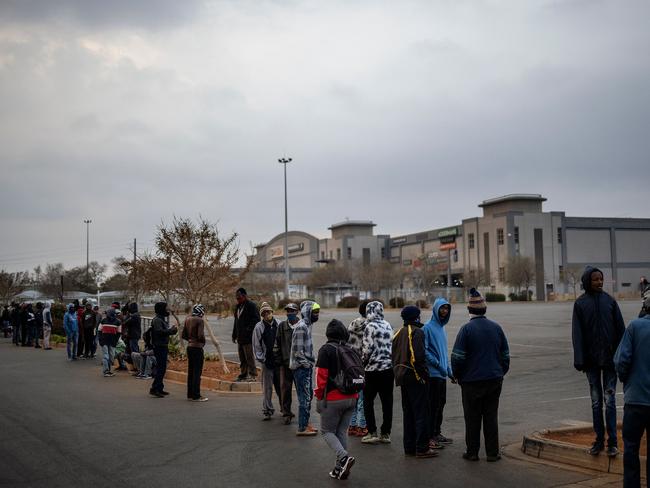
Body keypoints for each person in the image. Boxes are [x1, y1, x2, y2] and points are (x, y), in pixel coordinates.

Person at [572, 266, 626, 457]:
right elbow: (577, 335)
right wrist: (580, 359)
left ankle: (613, 442)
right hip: (591, 363)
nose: (599, 282)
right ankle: (598, 441)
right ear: (588, 281)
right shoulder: (580, 304)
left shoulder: (610, 302)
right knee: (596, 402)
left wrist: (621, 357)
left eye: (601, 279)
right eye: (595, 279)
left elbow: (621, 331)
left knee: (610, 401)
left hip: (610, 362)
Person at [452, 288, 510, 462]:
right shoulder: (496, 327)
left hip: (471, 382)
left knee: (472, 418)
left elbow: (457, 357)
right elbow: (505, 355)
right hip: (494, 379)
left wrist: (457, 375)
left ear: (469, 310)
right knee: (491, 417)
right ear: (484, 309)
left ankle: (472, 452)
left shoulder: (466, 330)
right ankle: (492, 453)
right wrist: (500, 372)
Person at [614, 291, 650, 487]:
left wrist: (626, 381)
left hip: (635, 401)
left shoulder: (635, 327)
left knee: (631, 449)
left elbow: (621, 361)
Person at [393, 305, 438, 458]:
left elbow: (393, 356)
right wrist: (424, 375)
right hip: (415, 377)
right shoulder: (417, 332)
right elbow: (419, 357)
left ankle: (409, 446)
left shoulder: (398, 332)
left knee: (409, 413)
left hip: (402, 376)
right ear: (416, 317)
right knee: (421, 413)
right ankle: (422, 447)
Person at [315, 319, 357, 480]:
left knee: (327, 432)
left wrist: (319, 398)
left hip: (333, 399)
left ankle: (344, 458)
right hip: (352, 397)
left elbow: (321, 377)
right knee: (341, 432)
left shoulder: (326, 350)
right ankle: (340, 469)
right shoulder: (349, 348)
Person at [423, 297, 456, 449]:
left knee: (440, 405)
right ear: (436, 310)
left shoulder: (442, 328)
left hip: (442, 374)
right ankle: (429, 436)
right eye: (442, 308)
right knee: (431, 406)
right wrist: (438, 366)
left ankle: (437, 432)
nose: (445, 311)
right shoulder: (427, 328)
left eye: (447, 308)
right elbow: (424, 351)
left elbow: (444, 353)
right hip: (433, 375)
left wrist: (449, 371)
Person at [361, 300, 394, 445]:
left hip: (372, 370)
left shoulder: (370, 326)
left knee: (368, 401)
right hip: (388, 369)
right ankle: (386, 433)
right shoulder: (388, 325)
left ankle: (372, 431)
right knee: (387, 402)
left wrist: (362, 363)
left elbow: (367, 349)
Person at [290, 300, 320, 436]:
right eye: (314, 312)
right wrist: (307, 364)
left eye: (318, 312)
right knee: (304, 398)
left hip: (306, 367)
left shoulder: (307, 325)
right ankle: (302, 428)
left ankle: (305, 424)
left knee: (308, 396)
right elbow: (297, 352)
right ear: (307, 313)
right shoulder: (301, 327)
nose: (317, 315)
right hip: (301, 368)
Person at [253, 302, 282, 419]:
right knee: (267, 388)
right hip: (267, 363)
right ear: (262, 315)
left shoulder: (280, 324)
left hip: (279, 362)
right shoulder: (259, 327)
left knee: (281, 387)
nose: (267, 314)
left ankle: (284, 408)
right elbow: (256, 345)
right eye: (264, 313)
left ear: (272, 312)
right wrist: (262, 359)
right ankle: (267, 411)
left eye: (268, 312)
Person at [347, 300, 369, 437]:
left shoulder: (352, 324)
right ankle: (362, 425)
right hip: (363, 365)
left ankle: (352, 425)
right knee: (363, 398)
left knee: (354, 396)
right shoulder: (370, 326)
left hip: (350, 364)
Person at [276, 302, 300, 424]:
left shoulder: (302, 326)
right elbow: (277, 344)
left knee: (301, 391)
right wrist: (279, 360)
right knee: (285, 390)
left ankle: (303, 414)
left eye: (292, 311)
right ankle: (286, 413)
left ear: (297, 312)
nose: (289, 313)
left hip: (299, 365)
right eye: (288, 311)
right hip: (285, 364)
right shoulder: (282, 326)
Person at [150, 302, 178, 398]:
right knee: (161, 368)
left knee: (162, 367)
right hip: (159, 346)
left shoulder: (161, 319)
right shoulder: (157, 320)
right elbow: (159, 332)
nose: (167, 310)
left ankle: (159, 388)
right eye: (166, 308)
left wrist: (171, 330)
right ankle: (155, 388)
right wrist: (171, 331)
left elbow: (162, 331)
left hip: (162, 345)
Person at [232, 288, 260, 382]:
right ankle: (244, 374)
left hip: (248, 337)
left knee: (249, 356)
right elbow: (236, 321)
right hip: (240, 336)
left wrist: (248, 330)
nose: (238, 299)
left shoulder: (251, 306)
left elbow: (256, 320)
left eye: (239, 297)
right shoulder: (238, 307)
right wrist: (234, 334)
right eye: (237, 298)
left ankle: (253, 374)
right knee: (242, 357)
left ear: (244, 296)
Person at [182, 304, 208, 402]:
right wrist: (203, 342)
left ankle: (190, 394)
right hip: (197, 348)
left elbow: (183, 335)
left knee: (191, 371)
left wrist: (190, 340)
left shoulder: (188, 319)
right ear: (201, 311)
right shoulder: (200, 320)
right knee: (197, 372)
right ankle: (196, 395)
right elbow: (200, 335)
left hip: (189, 347)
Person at [98, 308, 122, 377]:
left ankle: (108, 370)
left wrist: (116, 341)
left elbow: (119, 333)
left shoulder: (118, 322)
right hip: (104, 341)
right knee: (106, 356)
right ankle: (106, 371)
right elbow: (99, 331)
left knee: (111, 357)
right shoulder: (103, 321)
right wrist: (100, 340)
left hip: (112, 342)